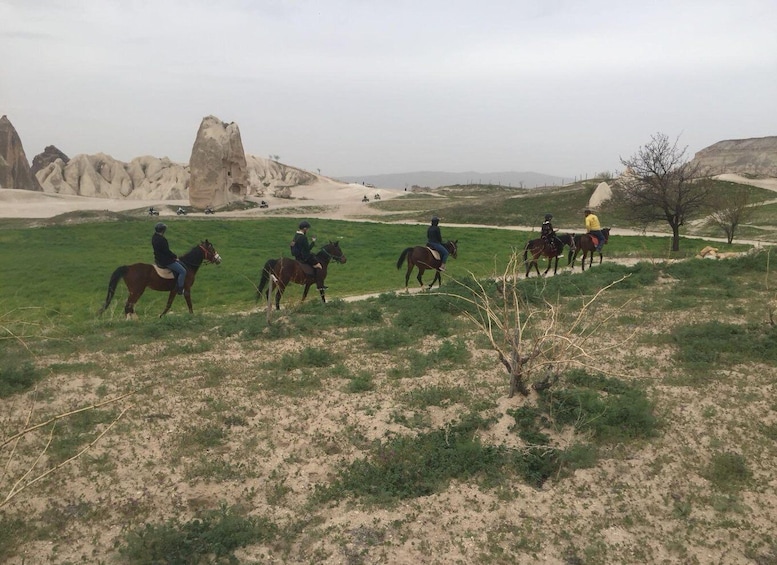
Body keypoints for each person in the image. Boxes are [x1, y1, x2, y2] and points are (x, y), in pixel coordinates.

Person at [152, 222, 187, 295]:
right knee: (183, 271)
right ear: (163, 230)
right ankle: (180, 289)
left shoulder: (154, 237)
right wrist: (174, 256)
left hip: (158, 259)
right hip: (165, 261)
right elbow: (167, 252)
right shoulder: (162, 240)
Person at [290, 220, 326, 290]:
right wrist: (313, 242)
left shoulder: (296, 236)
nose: (308, 230)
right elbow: (307, 249)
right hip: (304, 257)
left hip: (297, 257)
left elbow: (292, 245)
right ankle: (319, 285)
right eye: (307, 229)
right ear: (305, 229)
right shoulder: (303, 238)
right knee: (319, 266)